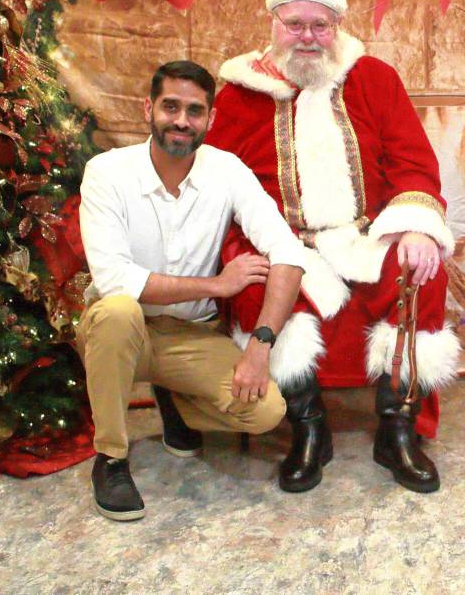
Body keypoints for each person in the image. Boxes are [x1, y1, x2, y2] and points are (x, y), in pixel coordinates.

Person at [203, 0, 458, 494]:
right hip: (278, 238)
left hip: (363, 233)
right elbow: (214, 184)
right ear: (273, 24)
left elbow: (413, 163)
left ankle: (396, 430)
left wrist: (418, 229)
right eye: (294, 24)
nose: (307, 36)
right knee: (258, 279)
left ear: (337, 27)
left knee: (418, 268)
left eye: (320, 26)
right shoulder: (238, 95)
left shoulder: (375, 79)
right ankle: (308, 428)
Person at [78, 61, 306, 521]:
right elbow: (115, 279)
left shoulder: (228, 171)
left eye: (194, 111)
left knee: (263, 412)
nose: (181, 120)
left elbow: (288, 252)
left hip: (191, 335)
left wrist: (262, 344)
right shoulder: (106, 172)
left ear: (210, 119)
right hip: (123, 331)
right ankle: (111, 458)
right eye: (171, 107)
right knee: (119, 311)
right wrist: (217, 284)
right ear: (149, 109)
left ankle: (175, 399)